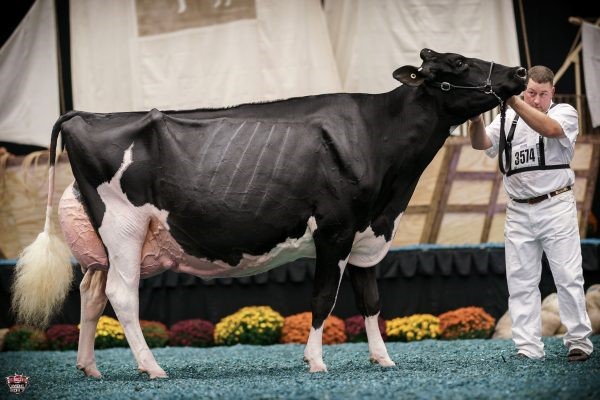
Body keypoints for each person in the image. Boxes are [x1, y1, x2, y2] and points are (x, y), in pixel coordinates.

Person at [468, 65, 593, 361]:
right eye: (531, 93)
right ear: (526, 90)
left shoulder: (564, 112)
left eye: (542, 94)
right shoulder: (508, 117)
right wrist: (474, 118)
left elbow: (549, 130)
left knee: (567, 275)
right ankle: (527, 347)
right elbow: (481, 143)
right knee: (521, 280)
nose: (536, 100)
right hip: (518, 209)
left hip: (556, 204)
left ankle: (579, 341)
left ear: (552, 92)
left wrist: (513, 100)